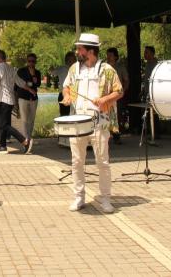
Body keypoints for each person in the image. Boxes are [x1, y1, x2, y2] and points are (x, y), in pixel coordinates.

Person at [61, 33, 123, 213]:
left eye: (80, 48)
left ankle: (105, 199)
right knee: (76, 161)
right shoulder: (74, 68)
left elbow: (119, 91)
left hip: (99, 121)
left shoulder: (107, 69)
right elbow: (66, 87)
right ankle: (78, 197)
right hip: (77, 120)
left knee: (102, 162)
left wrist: (105, 99)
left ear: (90, 51)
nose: (77, 51)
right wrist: (67, 96)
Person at [0, 49, 35, 154]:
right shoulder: (11, 68)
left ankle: (25, 141)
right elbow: (20, 82)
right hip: (9, 101)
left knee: (3, 125)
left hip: (2, 101)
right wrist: (30, 89)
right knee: (3, 124)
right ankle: (2, 146)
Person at [106, 48, 130, 144]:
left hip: (117, 95)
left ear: (115, 57)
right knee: (105, 116)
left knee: (117, 116)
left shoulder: (120, 67)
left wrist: (123, 91)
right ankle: (106, 137)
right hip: (106, 96)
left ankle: (116, 136)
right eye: (107, 55)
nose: (108, 57)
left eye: (110, 55)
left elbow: (126, 80)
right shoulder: (104, 67)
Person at [16, 53, 41, 141]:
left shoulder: (37, 72)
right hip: (23, 98)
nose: (31, 63)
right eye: (29, 61)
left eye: (33, 61)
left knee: (31, 119)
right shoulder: (21, 71)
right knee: (24, 119)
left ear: (35, 62)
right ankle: (25, 139)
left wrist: (33, 75)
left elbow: (38, 84)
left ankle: (29, 138)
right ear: (27, 61)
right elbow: (19, 84)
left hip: (33, 98)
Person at [55, 52, 76, 117]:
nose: (71, 62)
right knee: (64, 116)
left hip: (74, 95)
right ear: (66, 61)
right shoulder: (62, 68)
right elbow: (52, 71)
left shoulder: (78, 69)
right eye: (69, 60)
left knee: (74, 116)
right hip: (63, 95)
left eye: (73, 60)